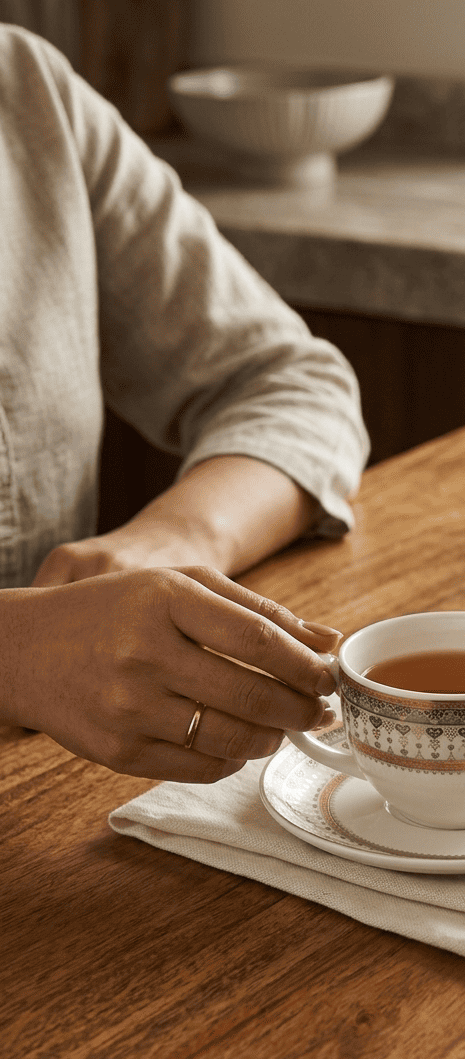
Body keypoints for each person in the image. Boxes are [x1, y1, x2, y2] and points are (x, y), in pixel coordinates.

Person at [0, 24, 370, 783]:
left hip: (52, 792)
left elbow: (292, 381)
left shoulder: (27, 91)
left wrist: (173, 540)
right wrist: (17, 655)